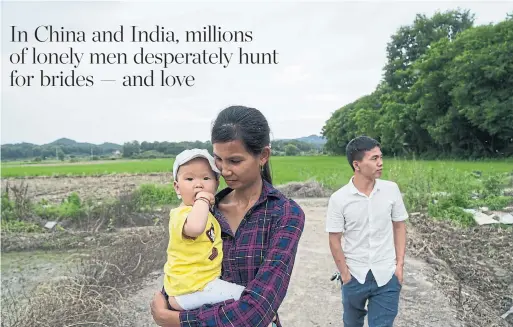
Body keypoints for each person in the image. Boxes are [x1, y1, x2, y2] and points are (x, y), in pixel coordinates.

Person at [150, 105, 306, 327]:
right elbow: (183, 266)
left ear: (263, 155)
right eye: (218, 160)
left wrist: (179, 321)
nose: (224, 171)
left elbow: (259, 310)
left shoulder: (284, 215)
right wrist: (167, 297)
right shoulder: (205, 209)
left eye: (235, 161)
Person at [325, 136, 408, 327]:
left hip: (387, 275)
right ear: (357, 165)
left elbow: (399, 226)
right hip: (354, 275)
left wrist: (400, 265)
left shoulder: (391, 190)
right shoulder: (339, 199)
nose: (380, 163)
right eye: (374, 159)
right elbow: (334, 239)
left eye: (380, 157)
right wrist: (345, 274)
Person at [162, 148, 247, 312]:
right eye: (189, 179)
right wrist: (202, 199)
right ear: (177, 188)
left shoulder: (208, 213)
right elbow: (195, 228)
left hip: (201, 284)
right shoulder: (181, 214)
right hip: (192, 287)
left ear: (216, 185)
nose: (198, 184)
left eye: (206, 178)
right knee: (246, 298)